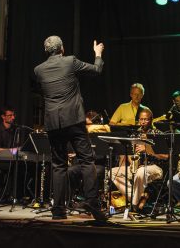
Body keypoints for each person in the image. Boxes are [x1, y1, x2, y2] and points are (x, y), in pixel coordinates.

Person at [34, 35, 106, 221]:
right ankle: (93, 203)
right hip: (73, 119)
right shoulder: (70, 62)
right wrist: (97, 54)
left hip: (53, 123)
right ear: (62, 49)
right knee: (86, 160)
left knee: (58, 165)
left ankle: (58, 210)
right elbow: (97, 70)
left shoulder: (38, 70)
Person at [111, 109, 167, 209]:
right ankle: (140, 197)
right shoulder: (135, 134)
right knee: (113, 172)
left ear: (151, 120)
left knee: (140, 172)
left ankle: (134, 205)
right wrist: (133, 163)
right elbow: (130, 153)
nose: (143, 122)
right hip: (138, 167)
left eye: (145, 119)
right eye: (141, 119)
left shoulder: (158, 134)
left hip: (155, 167)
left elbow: (166, 156)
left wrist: (147, 150)